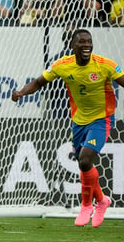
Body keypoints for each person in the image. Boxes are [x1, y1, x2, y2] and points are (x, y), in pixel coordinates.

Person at [11, 29, 123, 228]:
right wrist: (21, 93)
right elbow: (39, 82)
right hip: (79, 120)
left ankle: (87, 205)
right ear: (73, 46)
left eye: (89, 41)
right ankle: (102, 200)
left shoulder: (105, 65)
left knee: (86, 158)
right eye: (82, 42)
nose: (87, 45)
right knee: (83, 164)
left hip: (102, 119)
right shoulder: (62, 65)